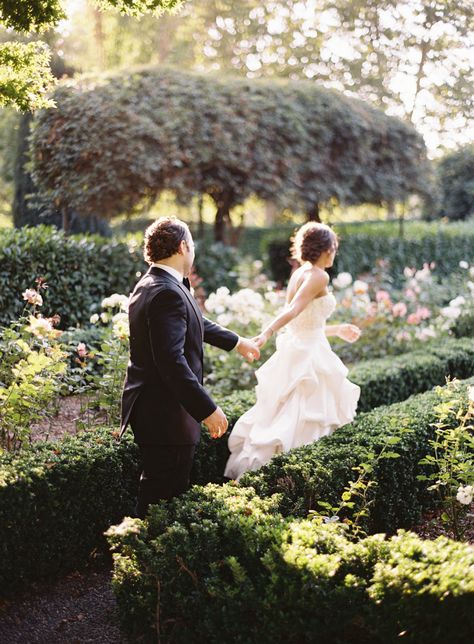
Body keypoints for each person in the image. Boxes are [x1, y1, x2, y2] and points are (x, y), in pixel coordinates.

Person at [120, 217, 260, 518]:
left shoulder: (155, 283)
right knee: (162, 494)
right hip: (165, 412)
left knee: (163, 489)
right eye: (192, 245)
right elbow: (171, 361)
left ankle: (146, 550)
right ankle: (142, 554)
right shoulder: (166, 291)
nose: (193, 251)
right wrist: (207, 409)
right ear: (183, 246)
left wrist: (237, 342)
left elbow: (194, 321)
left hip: (157, 409)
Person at [224, 222, 361, 481]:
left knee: (285, 415)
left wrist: (338, 329)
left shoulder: (300, 273)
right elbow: (295, 310)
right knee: (307, 415)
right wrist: (266, 332)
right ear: (327, 249)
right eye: (335, 247)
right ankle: (302, 478)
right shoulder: (319, 275)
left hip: (302, 346)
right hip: (309, 356)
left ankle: (271, 473)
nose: (335, 252)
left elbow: (305, 323)